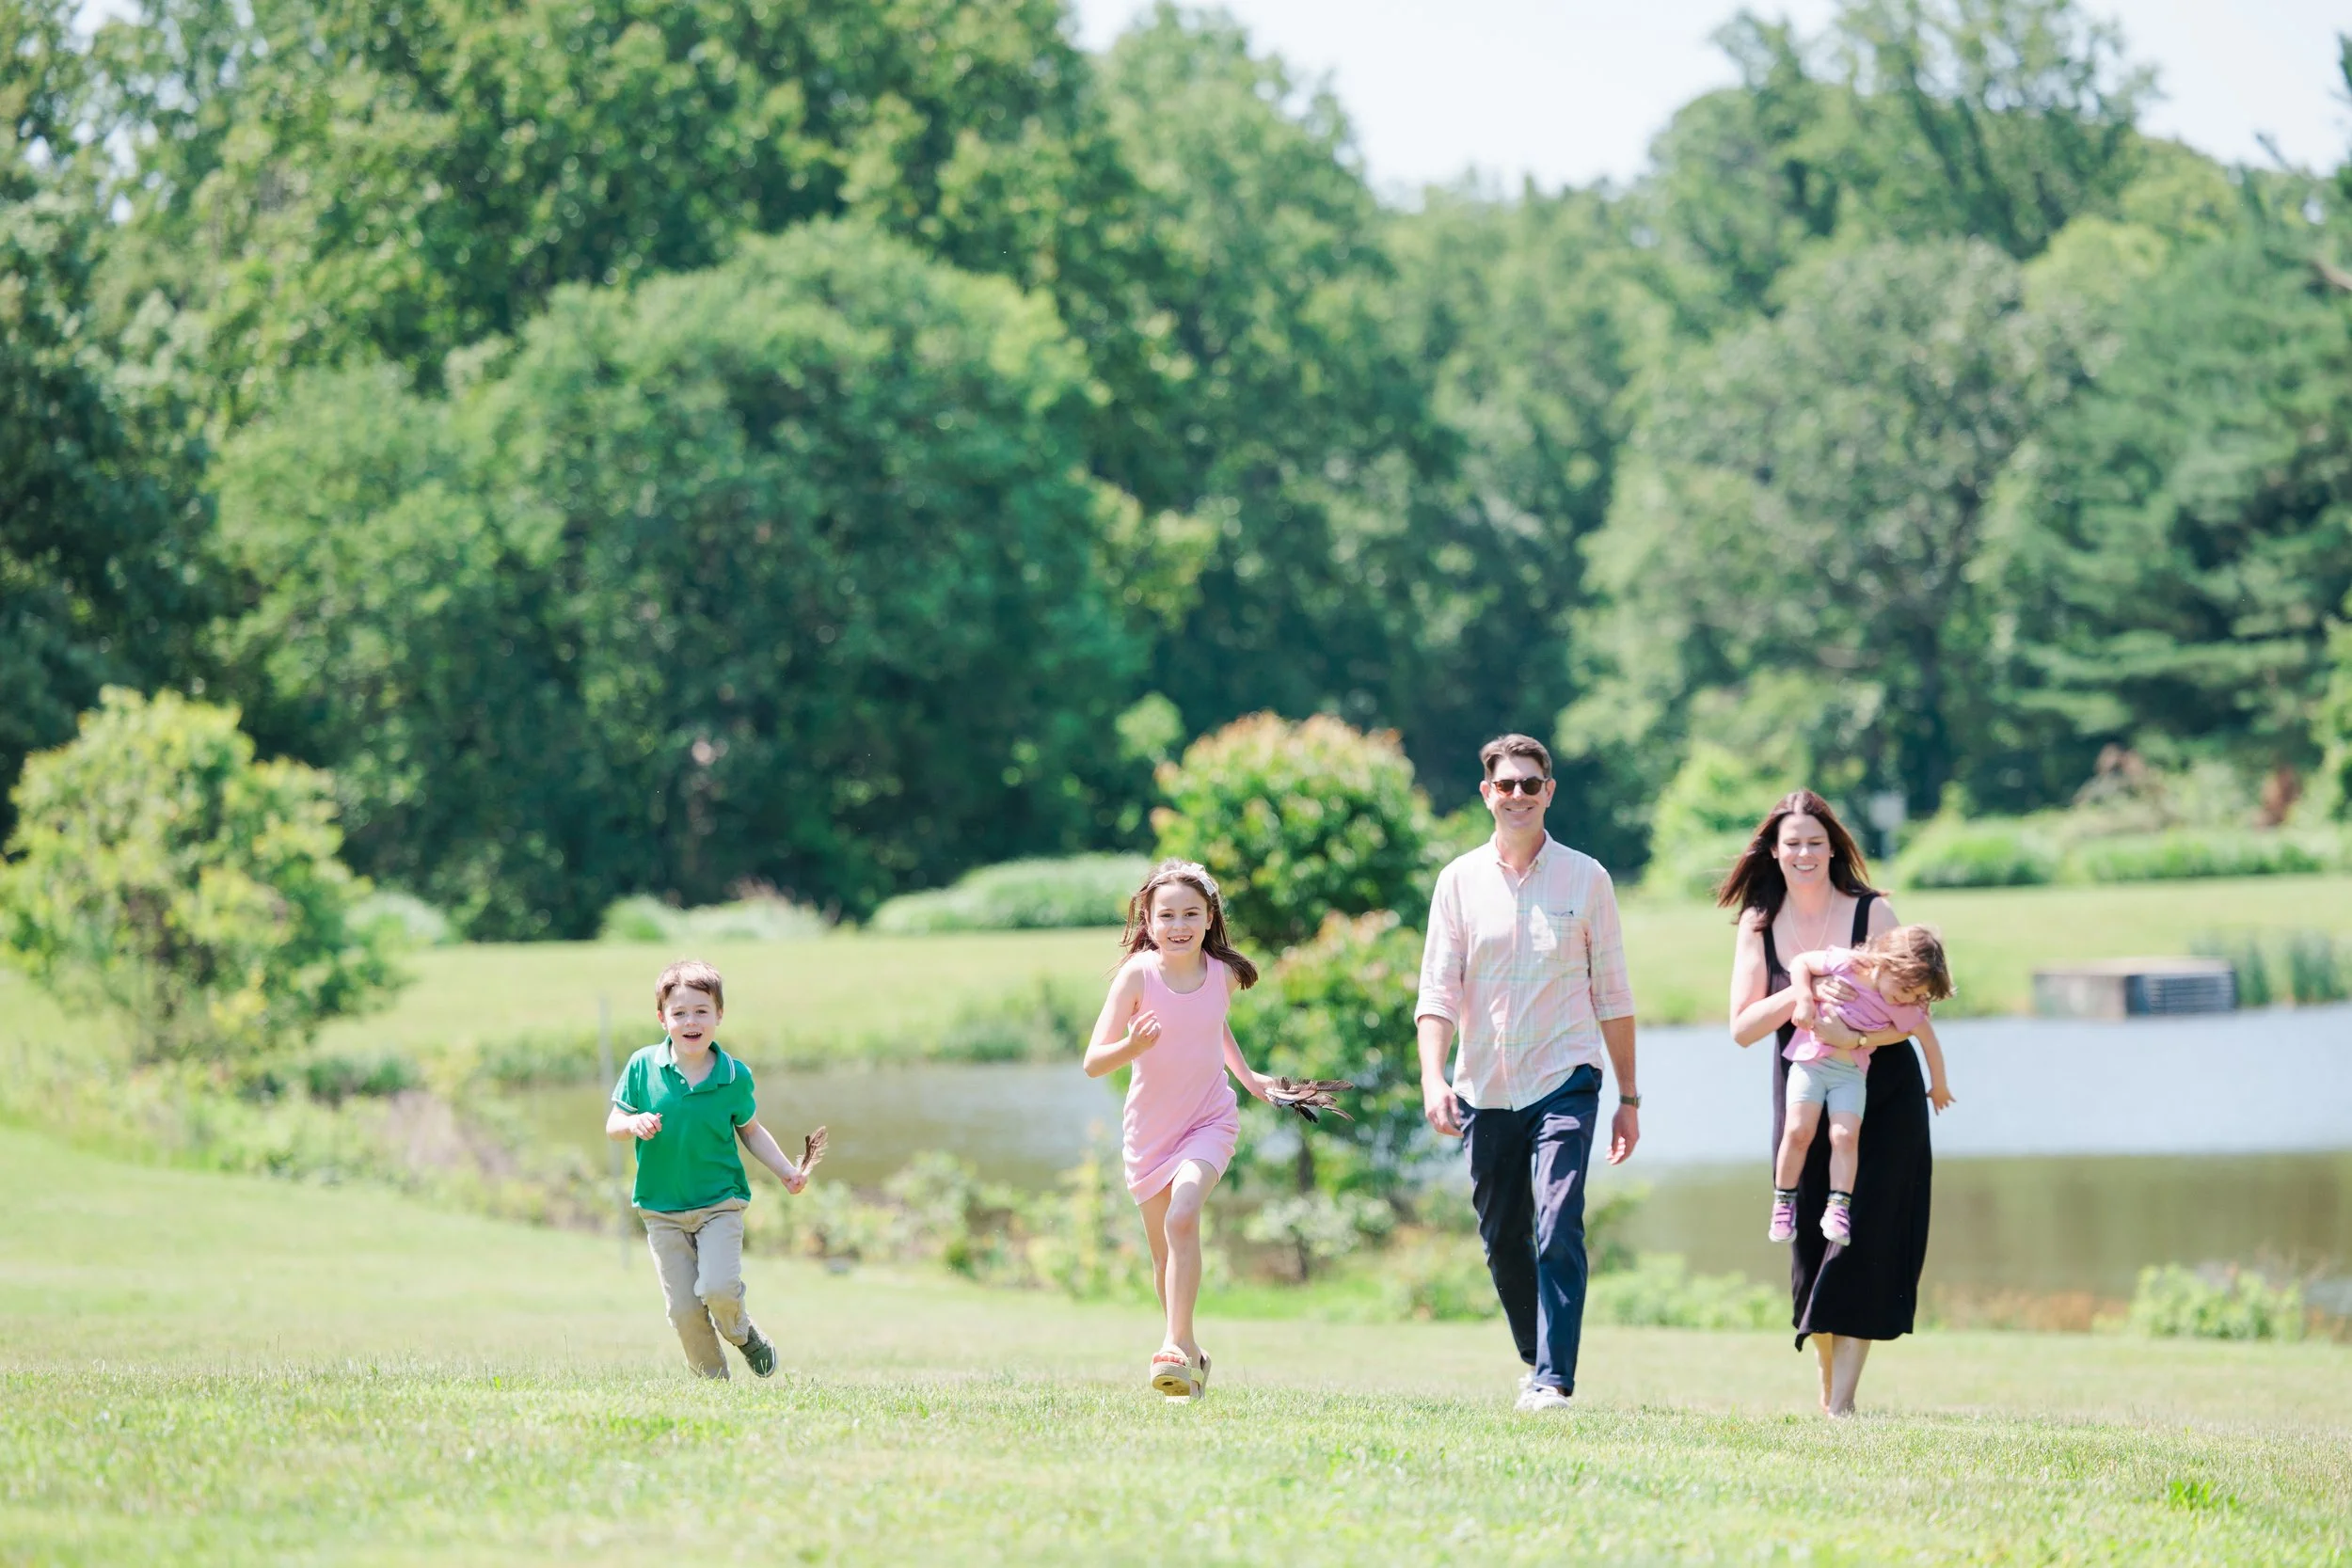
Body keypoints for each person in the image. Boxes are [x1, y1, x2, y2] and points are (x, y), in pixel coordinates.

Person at [1415, 734, 1640, 1415]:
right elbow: (1437, 992)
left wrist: (1629, 1096)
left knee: (1558, 1217)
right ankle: (1533, 1355)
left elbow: (1615, 995)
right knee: (1501, 1234)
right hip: (1483, 1085)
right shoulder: (1457, 880)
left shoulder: (1587, 878)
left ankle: (1554, 1378)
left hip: (1565, 1075)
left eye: (1530, 784)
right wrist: (1433, 1077)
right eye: (1506, 784)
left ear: (1550, 791)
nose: (1518, 794)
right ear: (1487, 793)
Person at [1722, 791, 1932, 1418]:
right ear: (1774, 850)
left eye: (1816, 841)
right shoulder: (1759, 923)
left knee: (1865, 1237)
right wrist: (1804, 985)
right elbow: (1742, 1027)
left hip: (1883, 1088)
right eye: (1792, 842)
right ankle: (1827, 1392)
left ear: (1833, 847)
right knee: (1812, 1241)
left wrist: (1858, 1035)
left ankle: (1843, 1401)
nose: (1804, 852)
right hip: (1803, 1094)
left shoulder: (1874, 914)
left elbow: (1914, 1013)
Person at [1082, 859, 1278, 1402]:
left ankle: (1171, 1344)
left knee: (1184, 1213)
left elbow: (1215, 1026)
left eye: (1191, 913)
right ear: (1147, 920)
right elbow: (1094, 1062)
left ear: (1211, 917)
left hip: (1209, 1119)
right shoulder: (1138, 976)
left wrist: (1249, 1078)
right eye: (1166, 915)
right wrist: (1133, 1047)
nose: (1179, 925)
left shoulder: (1221, 973)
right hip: (1149, 1133)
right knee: (1165, 1257)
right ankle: (1189, 1357)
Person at [607, 958, 810, 1380]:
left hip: (720, 1203)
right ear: (662, 1019)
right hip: (661, 1210)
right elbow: (613, 1125)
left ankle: (742, 1332)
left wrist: (785, 1171)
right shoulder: (643, 1066)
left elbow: (751, 1131)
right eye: (679, 1013)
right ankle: (713, 1388)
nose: (691, 1021)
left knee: (717, 1289)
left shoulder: (734, 1076)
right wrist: (632, 1123)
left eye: (701, 1011)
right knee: (683, 1310)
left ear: (720, 1014)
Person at [1770, 926, 1957, 1244]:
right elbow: (1801, 962)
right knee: (1798, 1131)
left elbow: (1929, 1041)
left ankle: (1838, 1207)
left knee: (1844, 1136)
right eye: (1904, 988)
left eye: (1915, 995)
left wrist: (1939, 1086)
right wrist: (1804, 997)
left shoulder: (1905, 1007)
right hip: (1810, 1063)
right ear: (1885, 963)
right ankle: (1784, 1203)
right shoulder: (1848, 964)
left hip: (1850, 1074)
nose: (1907, 998)